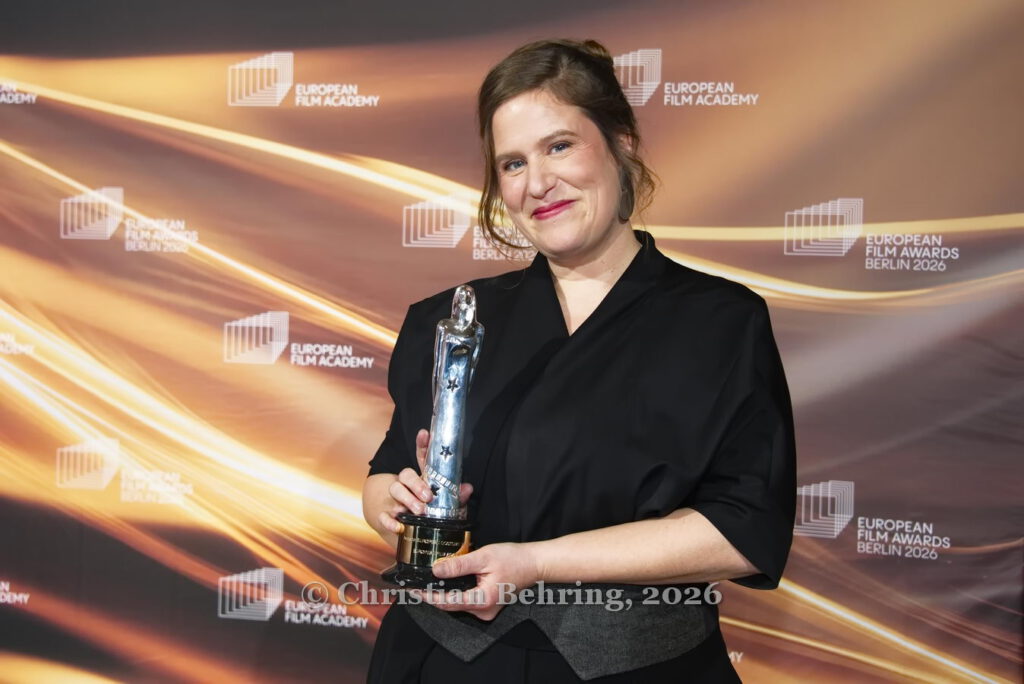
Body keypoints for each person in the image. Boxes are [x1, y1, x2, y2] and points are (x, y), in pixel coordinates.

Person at [362, 38, 796, 682]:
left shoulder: (720, 321)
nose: (537, 184)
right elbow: (387, 473)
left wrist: (538, 563)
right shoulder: (449, 319)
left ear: (621, 142)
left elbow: (742, 531)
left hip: (639, 668)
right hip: (443, 661)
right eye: (512, 163)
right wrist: (391, 503)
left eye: (559, 146)